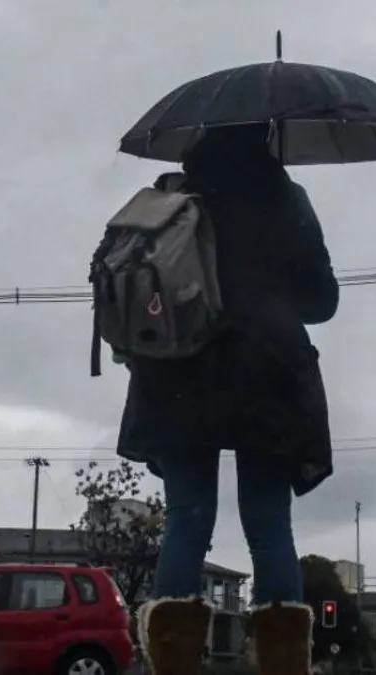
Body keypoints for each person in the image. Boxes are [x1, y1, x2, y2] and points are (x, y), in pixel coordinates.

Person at [115, 123, 339, 675]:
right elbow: (321, 302)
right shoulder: (288, 201)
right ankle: (283, 664)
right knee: (269, 524)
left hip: (178, 373)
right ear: (264, 136)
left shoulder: (171, 200)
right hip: (269, 373)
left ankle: (173, 663)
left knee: (187, 518)